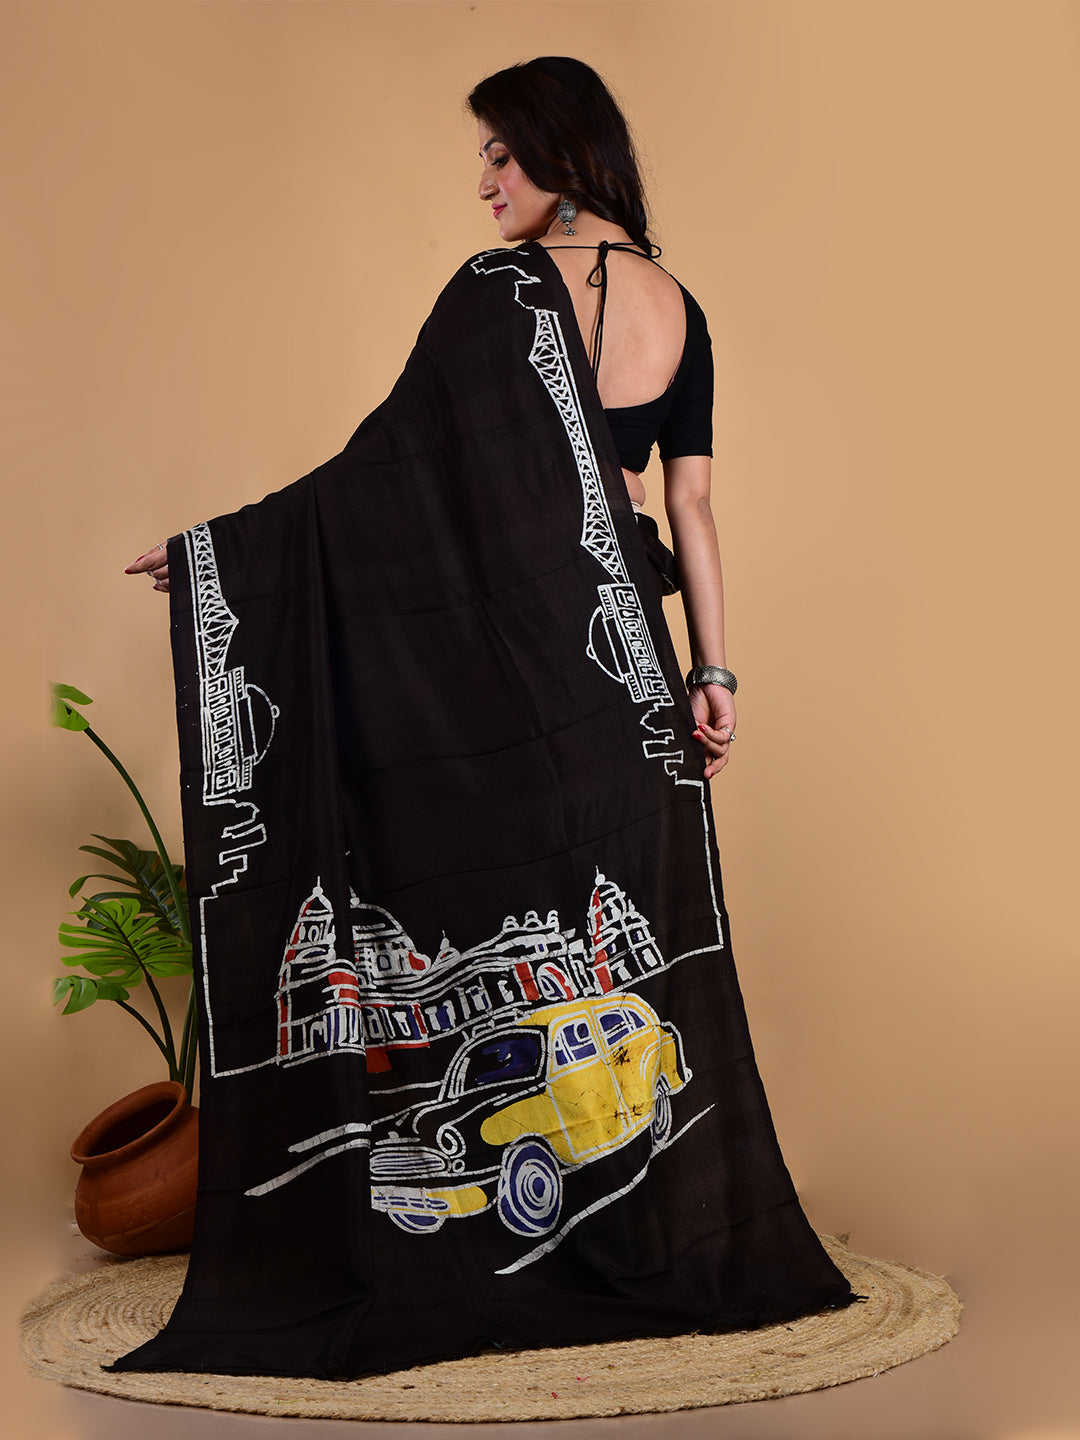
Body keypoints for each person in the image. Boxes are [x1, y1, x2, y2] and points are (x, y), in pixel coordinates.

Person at [114, 57, 855, 1381]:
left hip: (517, 669)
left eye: (500, 155)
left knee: (494, 883)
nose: (485, 183)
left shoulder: (495, 292)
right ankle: (628, 1240)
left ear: (559, 150)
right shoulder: (682, 309)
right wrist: (715, 674)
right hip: (625, 671)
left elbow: (385, 475)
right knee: (606, 923)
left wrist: (227, 555)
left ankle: (503, 1257)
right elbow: (689, 508)